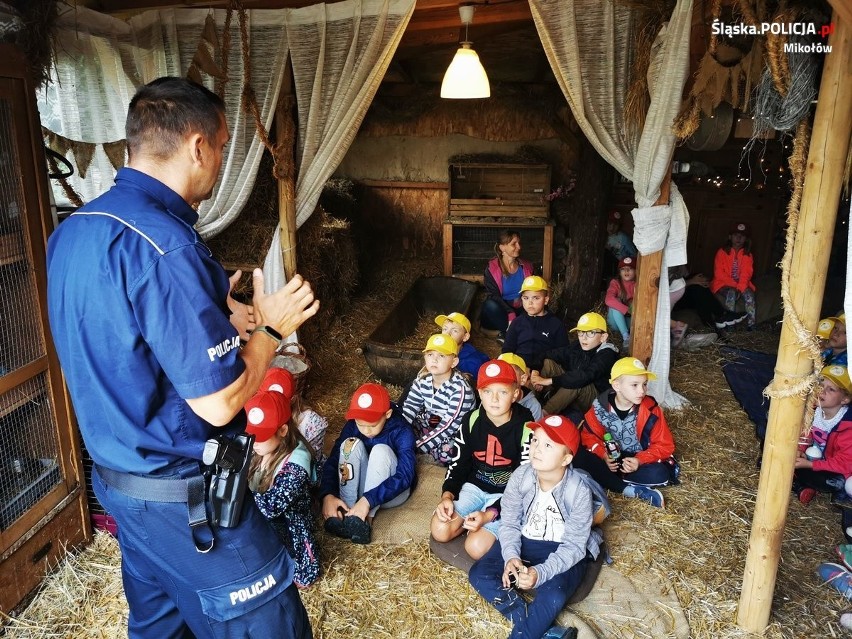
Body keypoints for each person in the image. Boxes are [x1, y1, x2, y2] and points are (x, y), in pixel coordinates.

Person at [46, 77, 317, 638]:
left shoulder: (73, 232)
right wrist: (270, 328)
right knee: (270, 623)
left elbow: (126, 340)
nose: (220, 159)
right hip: (184, 497)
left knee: (162, 628)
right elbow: (220, 403)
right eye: (220, 146)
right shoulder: (165, 245)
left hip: (122, 487)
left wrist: (216, 315)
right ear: (197, 146)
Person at [468, 414, 607, 639]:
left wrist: (539, 573)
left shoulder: (578, 490)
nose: (536, 449)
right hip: (526, 540)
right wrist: (511, 555)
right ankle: (548, 631)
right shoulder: (521, 476)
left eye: (548, 445)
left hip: (561, 549)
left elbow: (573, 547)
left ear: (566, 459)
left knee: (553, 595)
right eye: (535, 440)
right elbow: (510, 522)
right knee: (479, 574)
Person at [431, 359, 534, 560]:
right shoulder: (471, 420)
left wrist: (490, 514)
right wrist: (448, 495)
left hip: (506, 495)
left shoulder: (526, 427)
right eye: (487, 391)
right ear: (479, 393)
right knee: (439, 530)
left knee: (476, 548)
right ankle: (471, 521)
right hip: (475, 488)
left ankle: (489, 526)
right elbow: (458, 462)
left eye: (502, 392)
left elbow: (525, 483)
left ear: (515, 394)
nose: (494, 399)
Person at [245, 369, 319, 588]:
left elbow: (272, 506)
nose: (254, 442)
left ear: (283, 430)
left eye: (261, 436)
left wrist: (239, 489)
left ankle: (297, 563)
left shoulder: (297, 460)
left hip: (292, 526)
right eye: (251, 434)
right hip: (265, 521)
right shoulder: (260, 452)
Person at [574, 357, 679, 509]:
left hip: (637, 459)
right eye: (634, 385)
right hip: (611, 458)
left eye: (644, 384)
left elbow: (664, 445)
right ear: (616, 385)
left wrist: (639, 460)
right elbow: (588, 436)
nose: (642, 391)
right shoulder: (599, 408)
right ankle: (622, 483)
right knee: (577, 456)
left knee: (660, 474)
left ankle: (607, 480)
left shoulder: (651, 410)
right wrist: (603, 455)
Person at [321, 383, 416, 545]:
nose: (365, 430)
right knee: (349, 444)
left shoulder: (402, 429)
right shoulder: (353, 425)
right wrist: (327, 494)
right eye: (360, 424)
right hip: (360, 488)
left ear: (387, 414)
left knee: (380, 450)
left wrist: (368, 500)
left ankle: (364, 519)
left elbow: (405, 475)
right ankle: (349, 510)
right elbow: (335, 458)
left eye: (372, 425)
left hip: (392, 492)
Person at [402, 333, 476, 465]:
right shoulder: (422, 380)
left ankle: (426, 457)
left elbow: (448, 426)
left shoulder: (460, 389)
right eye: (430, 355)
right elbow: (409, 409)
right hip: (430, 423)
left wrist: (417, 447)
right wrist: (399, 434)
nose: (434, 360)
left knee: (452, 451)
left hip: (453, 431)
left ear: (454, 362)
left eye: (441, 356)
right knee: (403, 427)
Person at [530, 312, 619, 418]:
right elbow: (547, 354)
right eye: (580, 332)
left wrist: (547, 381)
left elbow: (585, 376)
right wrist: (535, 372)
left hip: (596, 401)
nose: (583, 338)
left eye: (590, 333)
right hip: (571, 391)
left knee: (575, 381)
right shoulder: (577, 345)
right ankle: (529, 404)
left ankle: (541, 416)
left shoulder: (607, 354)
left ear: (603, 337)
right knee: (548, 363)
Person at [793, 365, 852, 505]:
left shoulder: (847, 427)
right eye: (821, 384)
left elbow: (845, 463)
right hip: (809, 459)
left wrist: (809, 464)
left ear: (845, 399)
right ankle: (798, 481)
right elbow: (802, 433)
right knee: (773, 438)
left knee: (835, 483)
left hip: (828, 468)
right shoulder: (811, 409)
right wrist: (799, 451)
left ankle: (795, 481)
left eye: (831, 389)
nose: (822, 391)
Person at [502, 275, 568, 368]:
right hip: (521, 368)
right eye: (526, 298)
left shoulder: (556, 324)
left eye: (536, 298)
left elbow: (563, 352)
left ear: (546, 300)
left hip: (544, 368)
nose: (530, 302)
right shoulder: (517, 322)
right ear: (521, 299)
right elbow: (507, 350)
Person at [482, 230, 535, 338]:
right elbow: (493, 295)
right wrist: (510, 313)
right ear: (502, 248)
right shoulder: (492, 268)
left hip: (522, 308)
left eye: (519, 243)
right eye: (514, 244)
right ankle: (516, 330)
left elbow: (534, 290)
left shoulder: (527, 267)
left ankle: (506, 334)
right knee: (490, 305)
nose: (519, 247)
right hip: (502, 310)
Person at [710, 222, 756, 330]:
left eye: (742, 236)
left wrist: (740, 287)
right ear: (730, 237)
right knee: (731, 294)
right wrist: (735, 286)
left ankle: (751, 324)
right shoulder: (721, 252)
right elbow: (719, 274)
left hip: (741, 284)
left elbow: (747, 273)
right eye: (736, 235)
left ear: (746, 239)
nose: (739, 238)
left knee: (749, 295)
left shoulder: (747, 254)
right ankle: (730, 324)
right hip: (723, 283)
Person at [435, 311, 489, 377]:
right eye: (445, 329)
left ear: (465, 337)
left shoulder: (472, 364)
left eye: (455, 331)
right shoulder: (435, 352)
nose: (447, 334)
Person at [498, 352, 543, 421]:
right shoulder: (491, 398)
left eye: (509, 374)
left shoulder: (533, 407)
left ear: (523, 379)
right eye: (498, 375)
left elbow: (537, 430)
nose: (502, 380)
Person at [605, 257, 636, 349]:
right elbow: (608, 300)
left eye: (629, 269)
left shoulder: (639, 284)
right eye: (623, 269)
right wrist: (626, 310)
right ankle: (626, 337)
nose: (626, 271)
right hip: (614, 322)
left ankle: (628, 333)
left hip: (630, 322)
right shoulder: (615, 283)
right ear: (619, 272)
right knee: (615, 302)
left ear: (635, 271)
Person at [604, 210, 637, 277]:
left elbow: (634, 255)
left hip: (618, 268)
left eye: (615, 225)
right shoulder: (601, 236)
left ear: (619, 226)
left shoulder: (623, 238)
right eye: (610, 223)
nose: (612, 227)